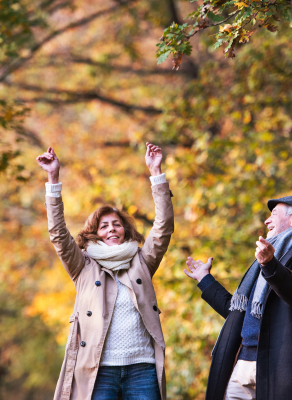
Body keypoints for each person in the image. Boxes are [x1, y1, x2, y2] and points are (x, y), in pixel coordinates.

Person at [37, 143, 174, 400]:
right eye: (104, 226)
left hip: (141, 368)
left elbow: (163, 227)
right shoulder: (83, 266)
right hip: (98, 370)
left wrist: (156, 172)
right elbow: (58, 234)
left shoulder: (141, 261)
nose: (112, 229)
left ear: (125, 230)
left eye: (117, 224)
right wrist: (53, 179)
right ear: (94, 234)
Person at [184, 196, 292, 400]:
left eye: (273, 214)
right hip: (242, 364)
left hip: (281, 369)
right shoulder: (265, 259)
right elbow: (237, 313)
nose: (266, 221)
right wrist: (205, 280)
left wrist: (271, 264)